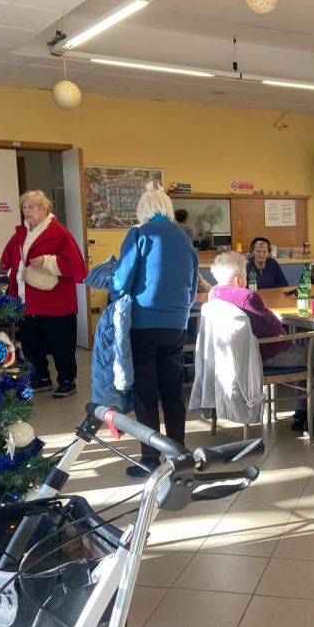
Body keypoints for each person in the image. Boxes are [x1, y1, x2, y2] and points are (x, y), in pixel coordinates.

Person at [112, 185, 199, 477]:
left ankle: (150, 458)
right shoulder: (185, 239)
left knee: (146, 392)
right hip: (176, 323)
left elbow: (122, 279)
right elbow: (193, 286)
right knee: (173, 391)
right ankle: (179, 455)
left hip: (144, 322)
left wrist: (114, 292)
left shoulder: (139, 234)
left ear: (143, 210)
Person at [208, 251, 314, 435]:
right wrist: (282, 329)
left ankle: (302, 415)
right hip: (264, 353)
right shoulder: (246, 297)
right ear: (237, 279)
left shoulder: (214, 294)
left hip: (234, 357)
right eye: (245, 274)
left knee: (305, 355)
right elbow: (274, 327)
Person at [0, 190, 87, 398]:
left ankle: (67, 380)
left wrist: (48, 261)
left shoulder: (58, 232)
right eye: (24, 207)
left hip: (55, 301)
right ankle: (41, 377)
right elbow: (7, 260)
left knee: (60, 344)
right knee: (31, 344)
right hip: (27, 302)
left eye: (31, 207)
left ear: (44, 208)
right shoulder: (22, 233)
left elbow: (74, 264)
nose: (26, 211)